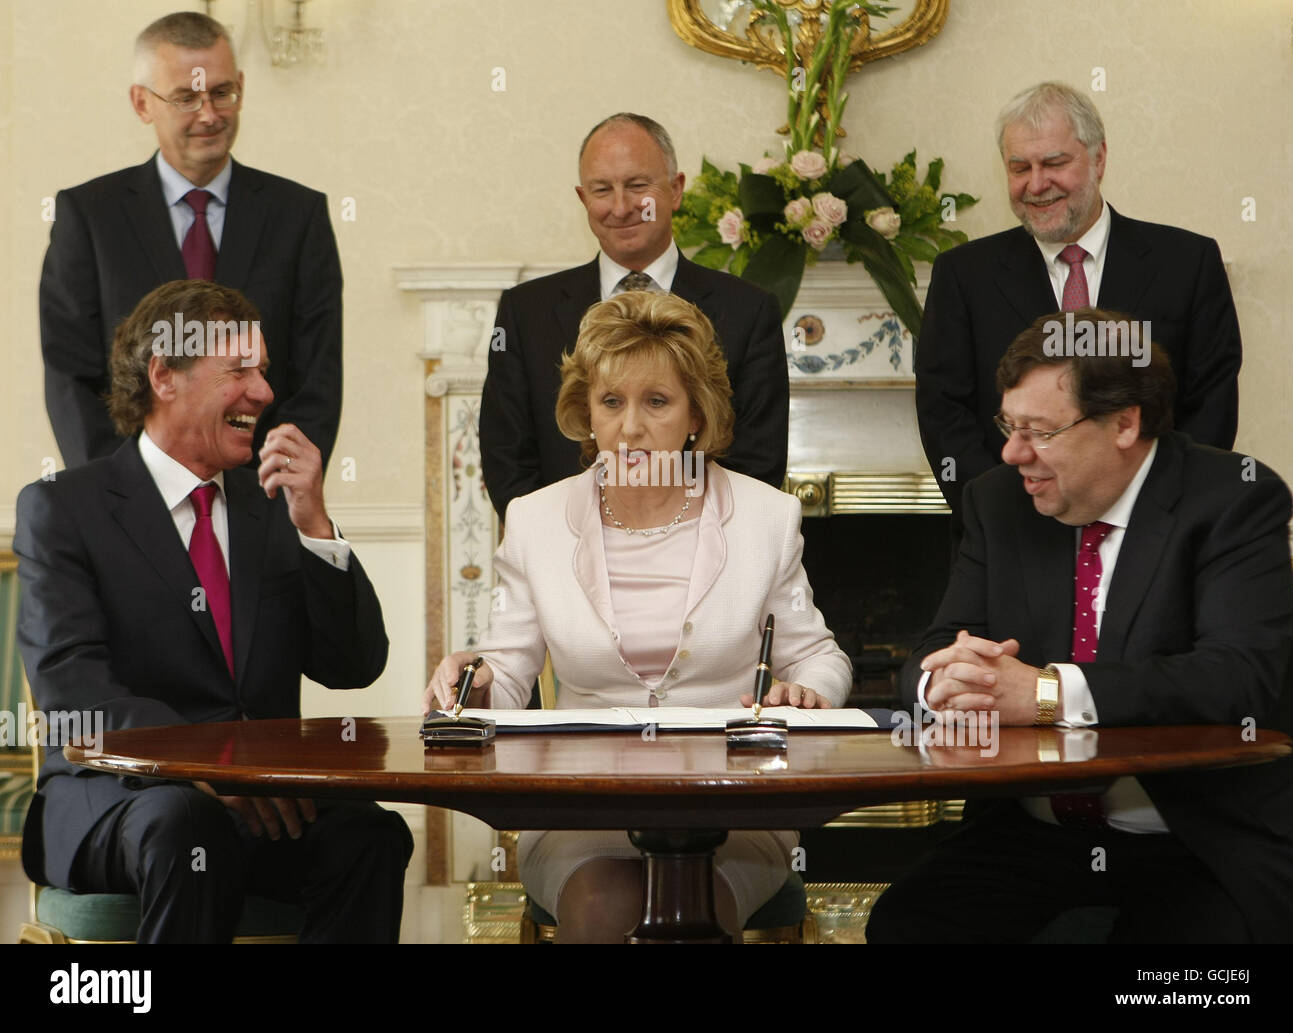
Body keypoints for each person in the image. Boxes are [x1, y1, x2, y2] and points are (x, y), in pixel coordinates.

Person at [427, 290, 849, 942]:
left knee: (694, 903)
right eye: (611, 402)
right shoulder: (536, 521)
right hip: (579, 804)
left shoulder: (766, 517)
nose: (630, 427)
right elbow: (507, 669)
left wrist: (806, 691)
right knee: (601, 904)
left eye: (657, 401)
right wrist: (476, 682)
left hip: (731, 805)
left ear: (696, 415)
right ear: (585, 413)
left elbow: (821, 656)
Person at [867, 309, 1293, 943]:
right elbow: (935, 648)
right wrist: (946, 684)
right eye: (1009, 427)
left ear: (1126, 423)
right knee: (906, 927)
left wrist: (1044, 695)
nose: (1015, 453)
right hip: (1035, 831)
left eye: (1039, 431)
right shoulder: (999, 502)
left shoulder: (1232, 500)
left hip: (1196, 835)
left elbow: (1237, 679)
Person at [15, 279, 411, 943]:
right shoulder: (65, 509)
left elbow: (355, 664)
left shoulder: (275, 506)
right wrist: (212, 767)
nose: (262, 391)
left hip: (260, 801)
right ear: (165, 376)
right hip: (116, 795)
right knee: (186, 824)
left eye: (264, 371)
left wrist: (314, 522)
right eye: (240, 370)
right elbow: (70, 686)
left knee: (370, 834)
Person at [915, 81, 1241, 533]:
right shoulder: (962, 275)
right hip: (1010, 539)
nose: (1036, 184)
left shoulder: (1187, 263)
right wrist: (1009, 514)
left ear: (1099, 158)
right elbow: (943, 412)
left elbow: (1212, 405)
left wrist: (1152, 515)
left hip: (1155, 536)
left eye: (1054, 163)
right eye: (1019, 167)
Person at [41, 11, 343, 469]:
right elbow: (72, 377)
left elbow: (316, 377)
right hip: (126, 504)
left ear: (240, 87)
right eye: (186, 97)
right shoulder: (89, 216)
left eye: (222, 93)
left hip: (260, 500)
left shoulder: (298, 216)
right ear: (143, 104)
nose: (209, 115)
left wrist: (279, 486)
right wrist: (118, 496)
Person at [479, 112, 789, 521]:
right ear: (583, 198)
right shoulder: (523, 312)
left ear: (676, 190)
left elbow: (758, 464)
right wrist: (559, 544)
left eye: (638, 186)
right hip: (565, 558)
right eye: (602, 189)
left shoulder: (750, 310)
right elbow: (507, 460)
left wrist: (683, 542)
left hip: (707, 558)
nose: (621, 207)